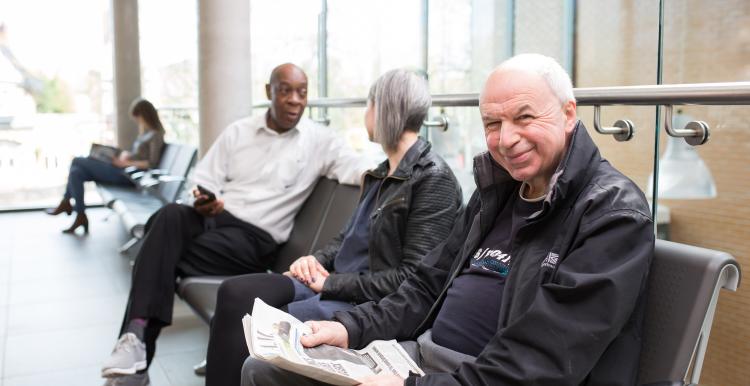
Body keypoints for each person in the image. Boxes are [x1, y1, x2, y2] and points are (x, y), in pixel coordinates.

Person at [241, 54, 654, 386]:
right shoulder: (500, 192)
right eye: (493, 124)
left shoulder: (612, 213)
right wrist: (350, 327)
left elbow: (540, 360)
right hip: (421, 356)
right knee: (262, 369)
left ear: (568, 114)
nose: (506, 139)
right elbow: (426, 284)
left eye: (525, 118)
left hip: (477, 375)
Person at [100, 63, 373, 386]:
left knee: (157, 249)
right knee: (171, 215)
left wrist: (392, 172)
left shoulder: (320, 141)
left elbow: (357, 167)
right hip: (215, 217)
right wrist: (204, 199)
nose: (295, 100)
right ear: (268, 92)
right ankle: (136, 345)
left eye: (302, 92)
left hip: (253, 240)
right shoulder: (239, 132)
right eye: (285, 90)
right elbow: (200, 179)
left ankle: (137, 342)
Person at [204, 69, 463, 386]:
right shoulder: (381, 173)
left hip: (358, 299)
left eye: (369, 106)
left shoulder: (432, 180)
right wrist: (316, 261)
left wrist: (331, 284)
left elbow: (410, 279)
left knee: (261, 324)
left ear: (383, 110)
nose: (366, 115)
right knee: (235, 292)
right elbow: (347, 238)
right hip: (332, 283)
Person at [46, 98, 165, 234]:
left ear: (144, 115)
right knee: (76, 173)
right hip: (124, 168)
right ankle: (79, 215)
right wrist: (125, 155)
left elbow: (152, 163)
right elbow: (140, 156)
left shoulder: (155, 134)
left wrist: (125, 162)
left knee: (77, 161)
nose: (138, 121)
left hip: (129, 176)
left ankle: (68, 204)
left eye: (138, 118)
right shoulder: (145, 133)